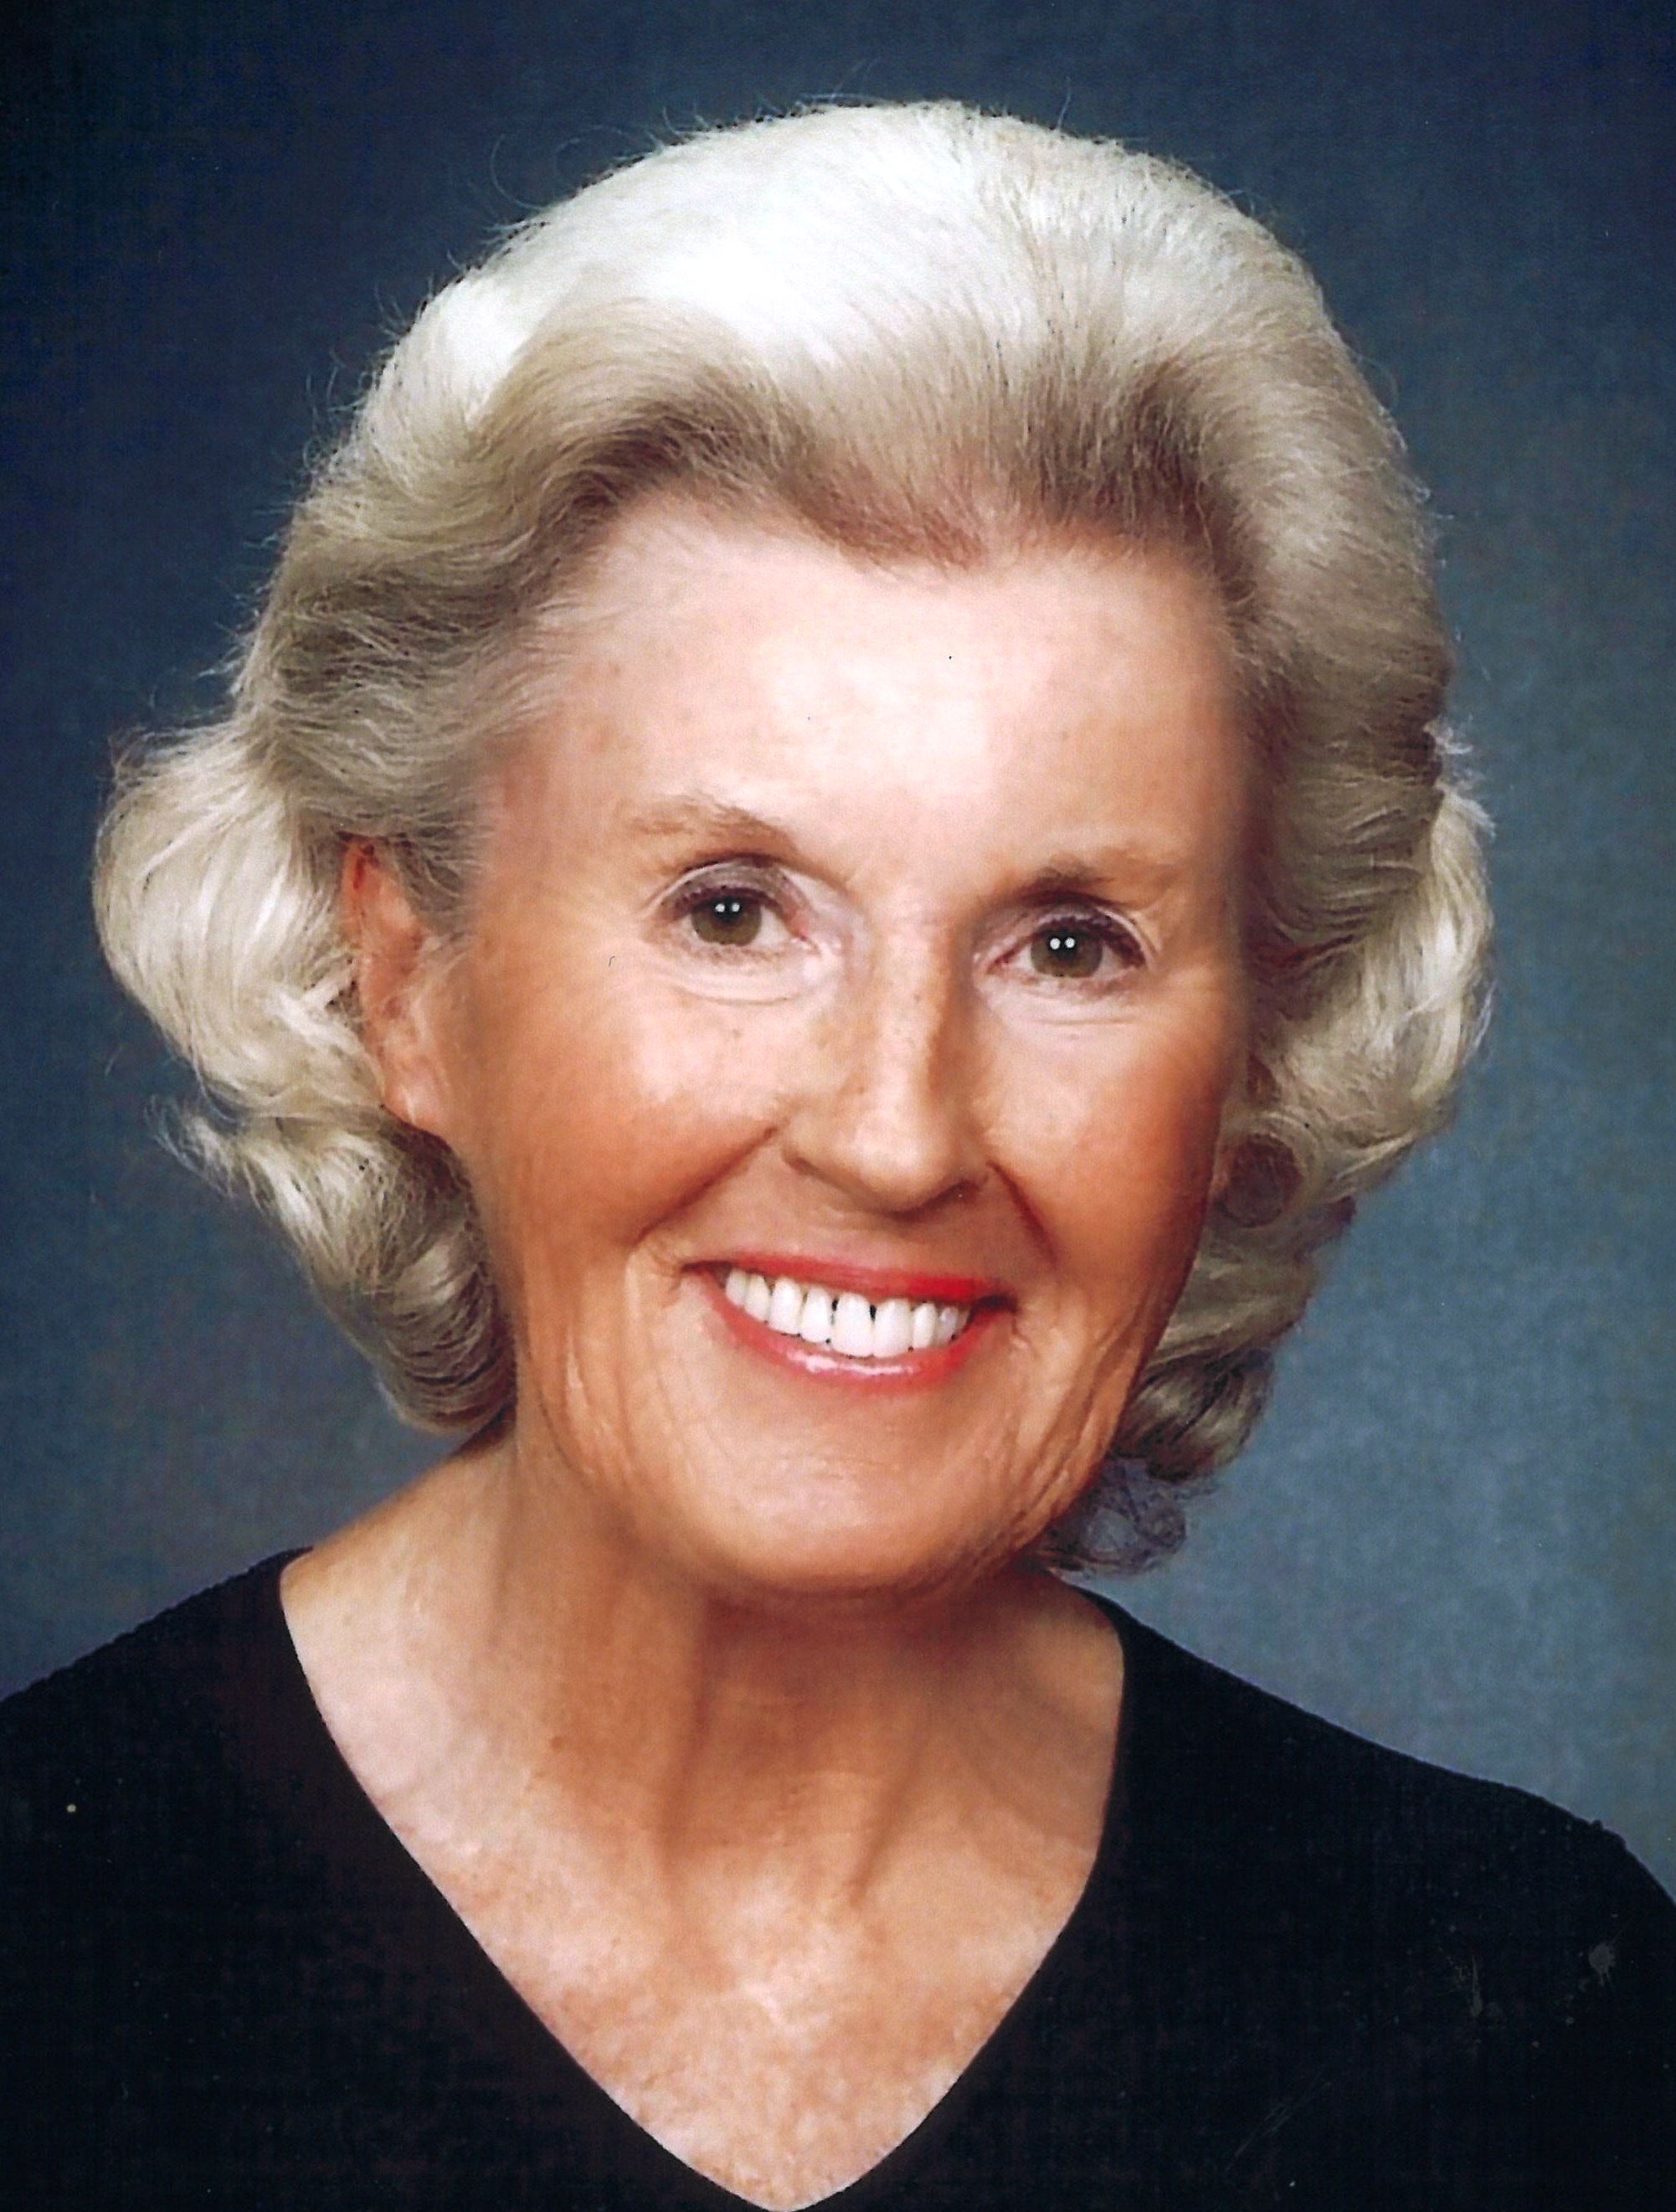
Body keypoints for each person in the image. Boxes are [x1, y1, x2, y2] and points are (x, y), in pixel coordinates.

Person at [3, 100, 1669, 2211]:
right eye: (730, 911)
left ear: (1256, 1051)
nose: (894, 1133)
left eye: (1067, 942)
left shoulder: (1523, 2016)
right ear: (409, 977)